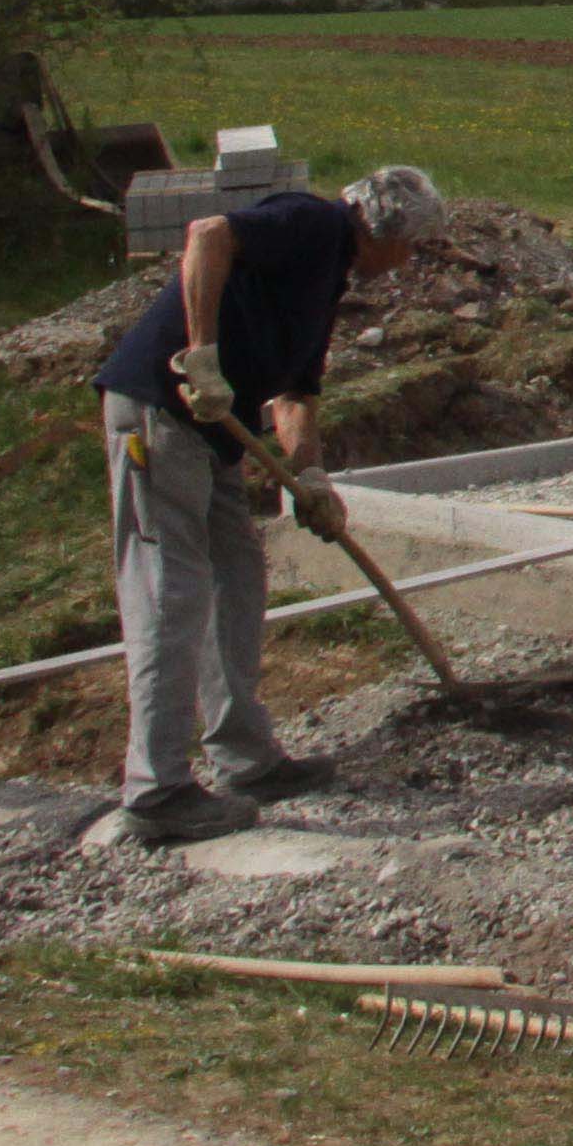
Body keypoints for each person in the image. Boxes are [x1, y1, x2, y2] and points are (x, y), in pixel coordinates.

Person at [90, 162, 450, 845]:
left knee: (238, 578)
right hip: (161, 411)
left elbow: (296, 395)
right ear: (382, 228)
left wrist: (311, 477)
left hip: (213, 435)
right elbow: (207, 235)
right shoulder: (312, 224)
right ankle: (155, 791)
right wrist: (201, 357)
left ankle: (245, 761)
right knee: (172, 589)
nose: (408, 261)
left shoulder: (326, 279)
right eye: (410, 245)